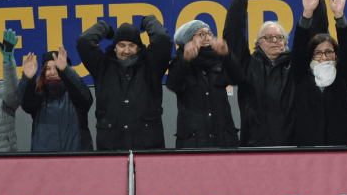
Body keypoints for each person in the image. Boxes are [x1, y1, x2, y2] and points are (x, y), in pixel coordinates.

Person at [224, 0, 323, 146]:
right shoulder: (247, 64)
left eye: (279, 37)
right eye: (268, 37)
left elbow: (317, 38)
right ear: (258, 43)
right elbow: (233, 36)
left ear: (285, 42)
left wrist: (314, 2)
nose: (275, 41)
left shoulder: (296, 66)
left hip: (292, 145)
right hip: (254, 145)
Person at [76, 14, 172, 150]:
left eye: (132, 45)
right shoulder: (101, 66)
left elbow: (162, 38)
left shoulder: (152, 66)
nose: (126, 51)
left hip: (149, 148)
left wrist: (148, 20)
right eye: (121, 45)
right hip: (111, 148)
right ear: (115, 47)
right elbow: (84, 40)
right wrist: (105, 28)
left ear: (139, 47)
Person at [289, 0, 347, 146]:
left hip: (340, 146)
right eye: (318, 53)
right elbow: (299, 48)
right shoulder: (302, 76)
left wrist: (339, 17)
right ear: (311, 55)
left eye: (328, 52)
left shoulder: (343, 76)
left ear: (335, 54)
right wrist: (307, 15)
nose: (323, 56)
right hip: (308, 147)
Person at [165, 19, 239, 149]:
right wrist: (185, 61)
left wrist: (227, 55)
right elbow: (173, 84)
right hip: (193, 141)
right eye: (201, 34)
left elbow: (237, 78)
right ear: (188, 39)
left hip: (223, 139)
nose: (207, 37)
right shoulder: (179, 62)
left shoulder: (219, 59)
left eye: (209, 33)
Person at [18, 45, 94, 152]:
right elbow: (26, 104)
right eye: (47, 69)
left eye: (57, 68)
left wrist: (66, 71)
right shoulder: (39, 95)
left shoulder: (76, 95)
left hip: (76, 160)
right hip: (45, 162)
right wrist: (27, 78)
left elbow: (86, 99)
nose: (52, 73)